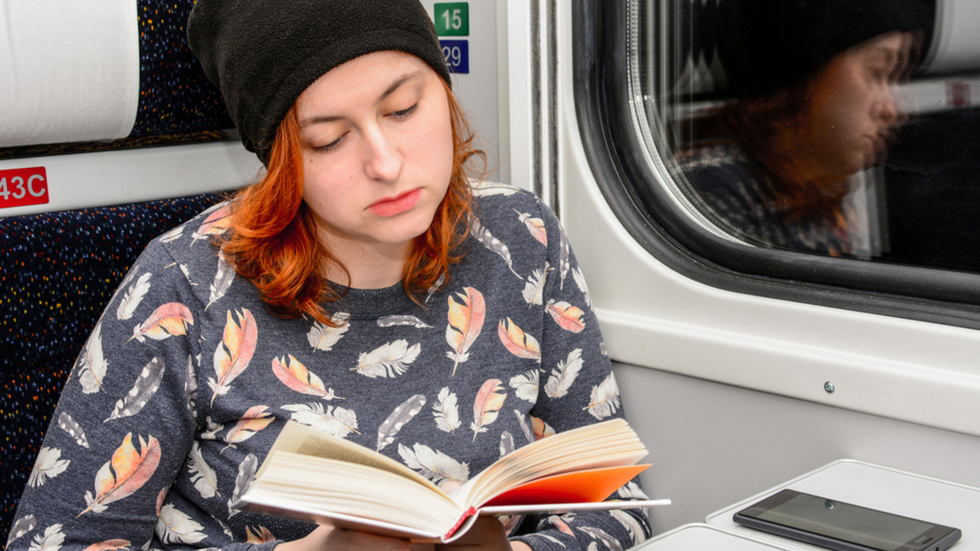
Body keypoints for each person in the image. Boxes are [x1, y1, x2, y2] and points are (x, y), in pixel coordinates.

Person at [6, 1, 653, 550]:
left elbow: (615, 501)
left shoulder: (521, 236)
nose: (386, 161)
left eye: (402, 108)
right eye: (327, 139)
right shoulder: (183, 287)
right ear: (282, 159)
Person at [676, 0, 920, 257]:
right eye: (877, 72)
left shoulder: (814, 186)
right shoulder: (716, 190)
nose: (894, 110)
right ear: (804, 78)